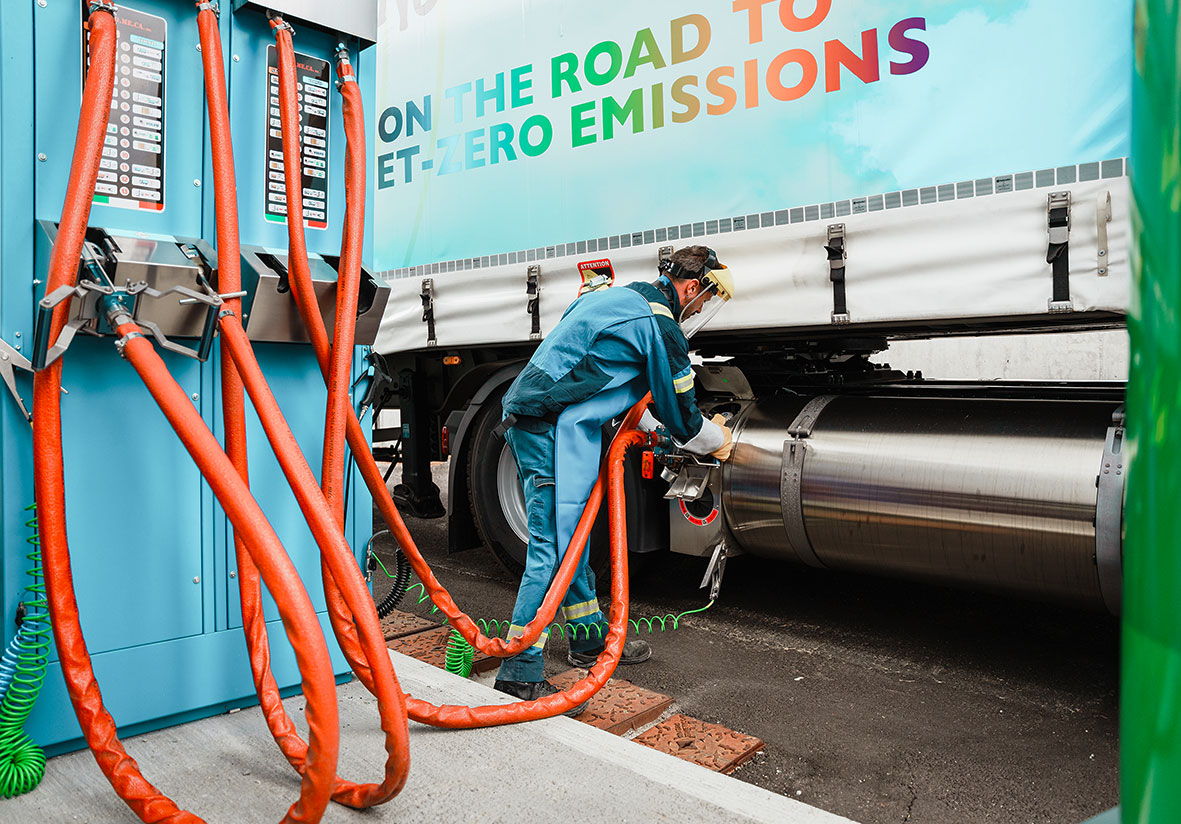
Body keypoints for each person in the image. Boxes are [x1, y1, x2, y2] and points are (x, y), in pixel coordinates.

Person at [493, 245, 737, 715]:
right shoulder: (661, 326)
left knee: (573, 541)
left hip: (546, 421)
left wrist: (650, 430)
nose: (702, 308)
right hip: (548, 427)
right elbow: (683, 414)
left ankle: (587, 642)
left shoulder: (623, 299)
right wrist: (713, 440)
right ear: (691, 287)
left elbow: (601, 373)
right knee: (552, 549)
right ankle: (519, 675)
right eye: (704, 298)